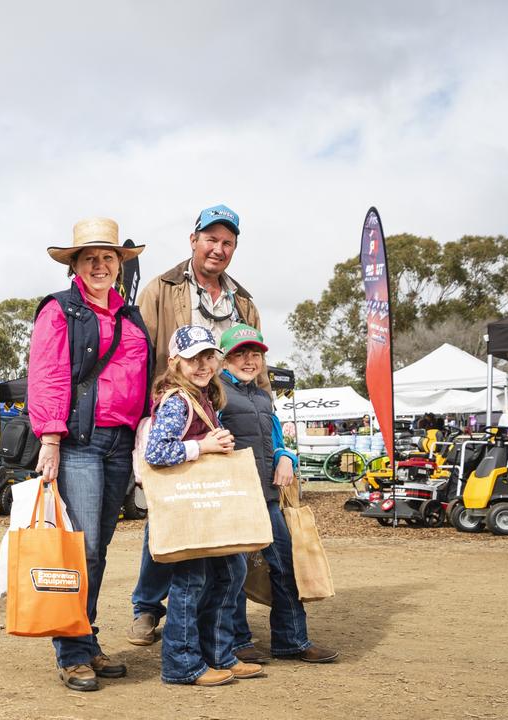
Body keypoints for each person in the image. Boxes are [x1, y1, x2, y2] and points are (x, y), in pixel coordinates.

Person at [27, 217, 153, 692]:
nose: (100, 265)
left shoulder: (131, 316)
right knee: (81, 550)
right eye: (89, 258)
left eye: (108, 258)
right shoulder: (60, 311)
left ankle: (85, 636)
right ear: (75, 266)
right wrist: (51, 438)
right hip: (79, 440)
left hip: (121, 442)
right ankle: (73, 653)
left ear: (120, 265)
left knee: (99, 551)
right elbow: (49, 374)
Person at [129, 203, 262, 646]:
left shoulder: (243, 301)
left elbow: (255, 364)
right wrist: (147, 415)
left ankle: (226, 630)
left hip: (225, 413)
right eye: (211, 239)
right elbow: (138, 354)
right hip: (177, 411)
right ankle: (147, 608)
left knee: (226, 519)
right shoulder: (160, 289)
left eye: (227, 243)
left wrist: (268, 418)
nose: (218, 249)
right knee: (168, 513)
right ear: (194, 240)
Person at [141, 325, 259, 686]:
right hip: (190, 505)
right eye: (193, 358)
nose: (202, 364)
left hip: (204, 504)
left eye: (208, 356)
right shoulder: (178, 400)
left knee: (230, 572)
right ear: (175, 361)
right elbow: (156, 453)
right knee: (192, 581)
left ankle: (219, 654)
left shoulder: (203, 396)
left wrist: (215, 440)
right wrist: (204, 447)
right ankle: (182, 664)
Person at [217, 324, 339, 665]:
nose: (249, 360)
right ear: (225, 359)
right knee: (235, 573)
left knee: (286, 565)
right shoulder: (216, 394)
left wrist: (287, 457)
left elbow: (278, 442)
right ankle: (238, 643)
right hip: (235, 498)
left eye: (254, 354)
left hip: (268, 498)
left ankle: (292, 640)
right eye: (240, 353)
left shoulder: (262, 395)